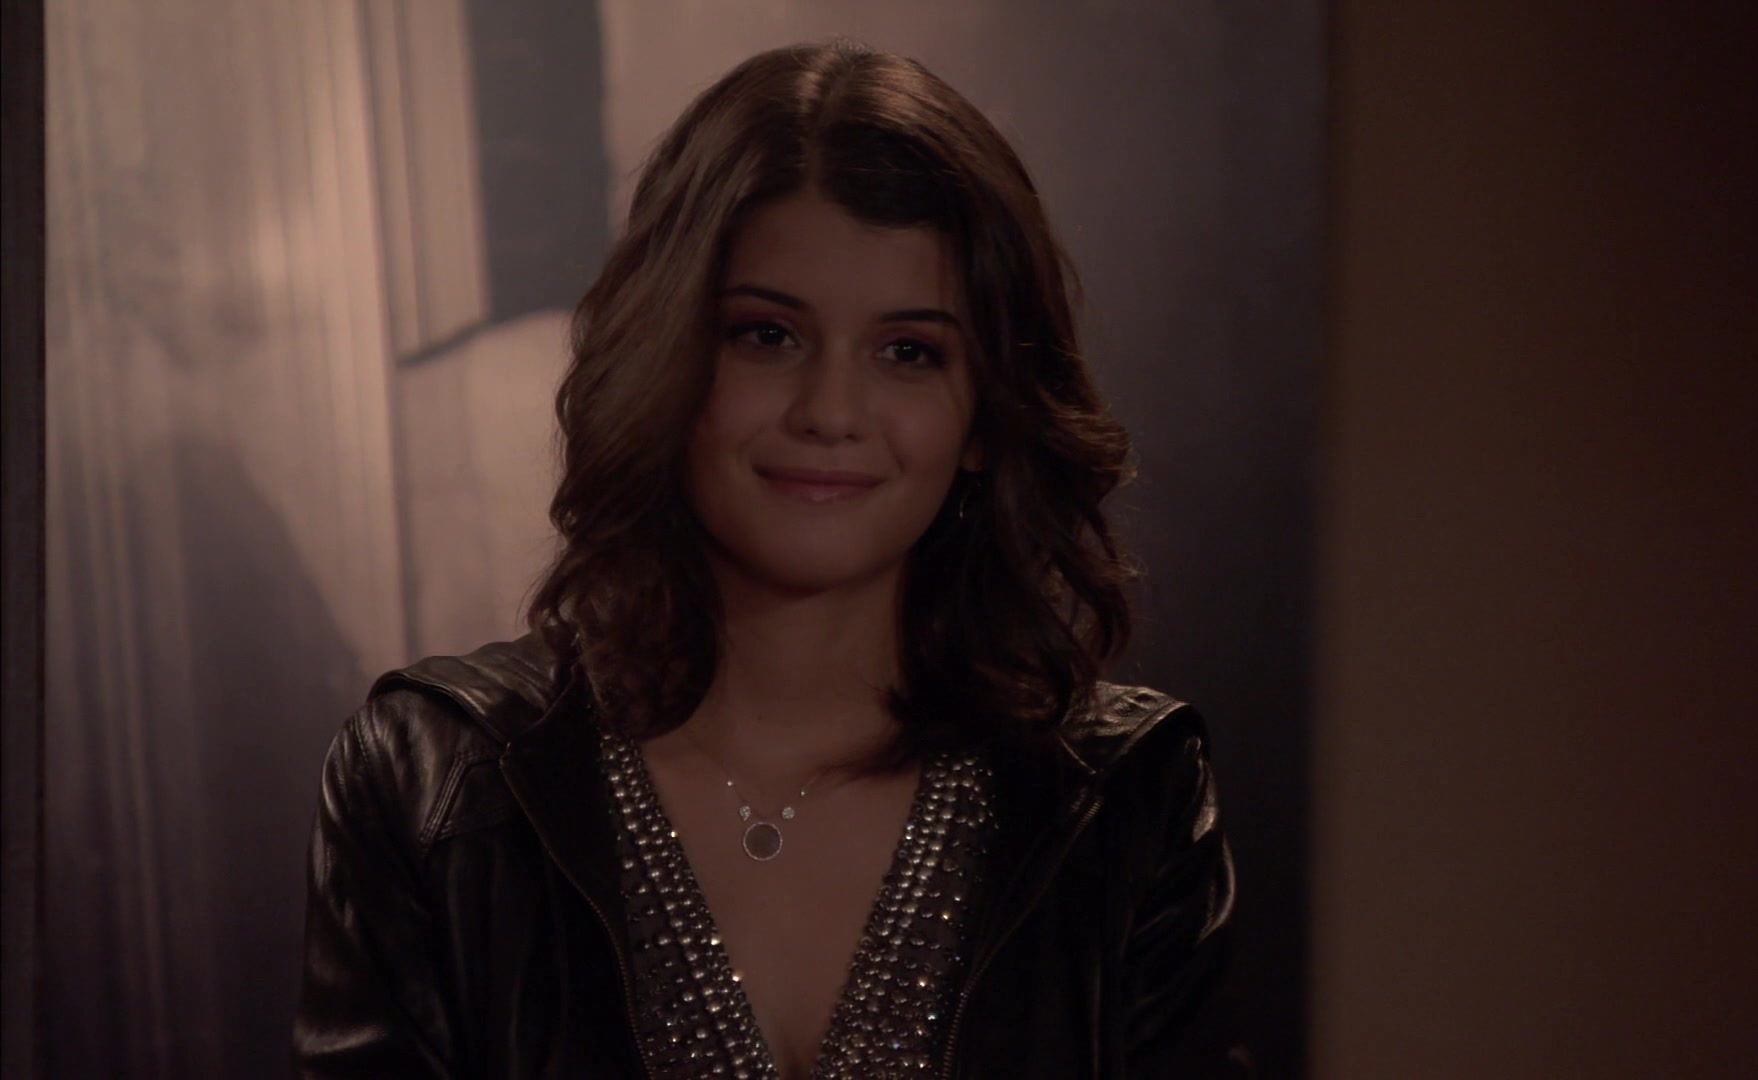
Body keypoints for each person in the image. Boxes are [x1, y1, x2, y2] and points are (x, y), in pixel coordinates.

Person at [294, 40, 1240, 1079]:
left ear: (983, 416)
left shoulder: (1127, 802)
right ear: (670, 361)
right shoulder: (433, 783)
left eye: (908, 352)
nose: (831, 411)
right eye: (767, 336)